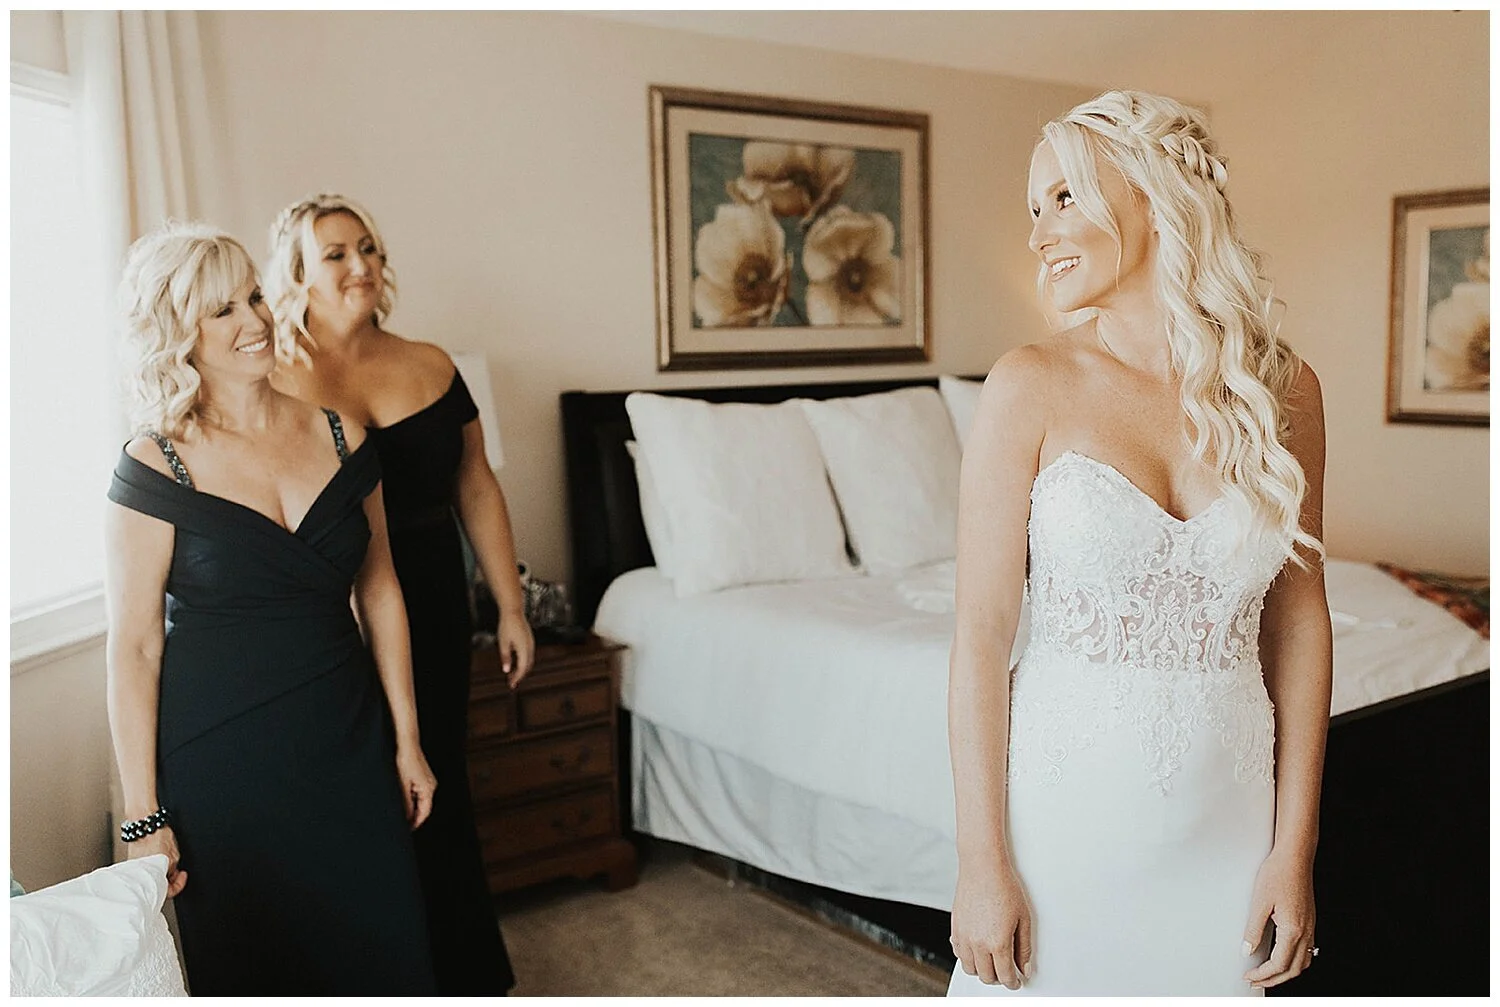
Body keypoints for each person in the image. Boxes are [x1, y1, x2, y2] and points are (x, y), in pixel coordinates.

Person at [946, 90, 1333, 996]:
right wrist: (980, 862)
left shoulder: (1285, 391)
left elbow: (1300, 621)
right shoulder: (1027, 383)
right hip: (1060, 832)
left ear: (1152, 193)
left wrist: (1294, 851)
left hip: (1231, 831)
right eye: (1033, 208)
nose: (1038, 233)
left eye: (1063, 197)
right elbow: (982, 635)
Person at [104, 221, 438, 994]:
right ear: (178, 332)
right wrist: (143, 814)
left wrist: (408, 740)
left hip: (346, 735)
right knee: (258, 966)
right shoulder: (156, 463)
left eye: (254, 296)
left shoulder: (342, 434)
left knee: (387, 948)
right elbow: (135, 647)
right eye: (222, 309)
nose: (254, 320)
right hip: (222, 762)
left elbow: (381, 589)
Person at [265, 193, 535, 995]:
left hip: (433, 600)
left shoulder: (432, 364)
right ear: (298, 274)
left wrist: (510, 605)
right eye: (336, 254)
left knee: (436, 774)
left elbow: (476, 486)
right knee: (353, 785)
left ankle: (461, 971)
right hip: (328, 608)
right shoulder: (272, 376)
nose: (360, 265)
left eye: (368, 248)